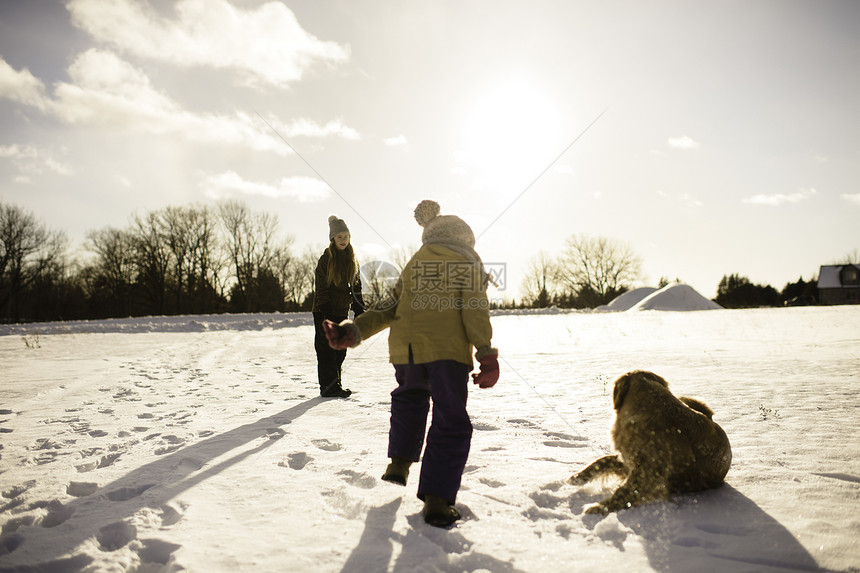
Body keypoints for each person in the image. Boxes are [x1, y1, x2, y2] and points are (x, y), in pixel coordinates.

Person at [324, 200, 499, 527]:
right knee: (450, 419)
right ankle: (436, 499)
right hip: (446, 350)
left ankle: (398, 465)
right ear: (466, 239)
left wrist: (355, 329)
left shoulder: (415, 263)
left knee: (410, 399)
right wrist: (486, 353)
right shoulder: (467, 261)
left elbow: (388, 307)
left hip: (406, 349)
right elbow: (474, 309)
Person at [312, 215, 364, 398]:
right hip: (324, 310)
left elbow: (356, 286)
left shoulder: (352, 259)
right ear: (333, 239)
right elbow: (321, 284)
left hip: (341, 311)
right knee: (326, 350)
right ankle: (329, 388)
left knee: (340, 350)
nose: (343, 240)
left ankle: (335, 384)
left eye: (345, 236)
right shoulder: (326, 259)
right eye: (339, 237)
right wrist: (324, 306)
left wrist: (359, 308)